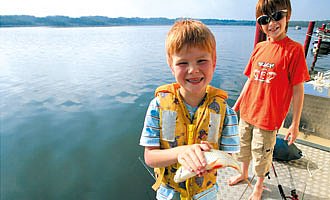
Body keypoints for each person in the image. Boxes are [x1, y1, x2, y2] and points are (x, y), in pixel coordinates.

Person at [139, 19, 240, 200]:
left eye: (201, 60)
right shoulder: (158, 105)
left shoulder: (226, 111)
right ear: (171, 65)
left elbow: (228, 156)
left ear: (214, 61)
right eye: (182, 63)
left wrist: (206, 162)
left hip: (205, 193)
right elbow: (150, 157)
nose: (193, 70)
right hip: (168, 192)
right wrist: (182, 152)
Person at [228, 0, 310, 199]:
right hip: (248, 111)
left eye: (277, 16)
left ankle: (259, 185)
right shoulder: (259, 47)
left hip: (268, 118)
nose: (271, 23)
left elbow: (298, 89)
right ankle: (244, 173)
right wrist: (236, 105)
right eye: (264, 19)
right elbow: (250, 79)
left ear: (287, 15)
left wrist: (295, 124)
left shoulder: (294, 50)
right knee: (244, 147)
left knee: (261, 154)